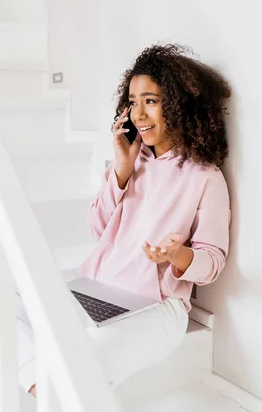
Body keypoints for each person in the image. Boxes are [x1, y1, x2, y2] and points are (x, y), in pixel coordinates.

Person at [17, 43, 232, 397]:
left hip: (158, 310)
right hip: (98, 289)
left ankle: (49, 389)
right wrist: (122, 169)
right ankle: (42, 384)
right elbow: (98, 228)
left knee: (79, 368)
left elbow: (212, 262)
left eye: (151, 100)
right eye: (133, 102)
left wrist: (177, 255)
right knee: (8, 307)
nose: (139, 114)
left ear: (178, 104)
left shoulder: (205, 177)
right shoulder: (131, 160)